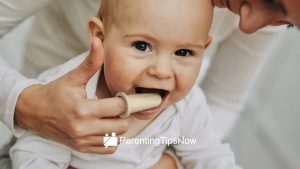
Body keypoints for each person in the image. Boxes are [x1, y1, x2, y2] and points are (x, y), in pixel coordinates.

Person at [0, 0, 299, 158]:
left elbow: (212, 128)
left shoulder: (187, 110)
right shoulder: (66, 92)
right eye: (142, 46)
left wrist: (170, 161)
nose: (249, 26)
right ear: (99, 37)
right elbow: (32, 154)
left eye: (286, 24)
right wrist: (26, 103)